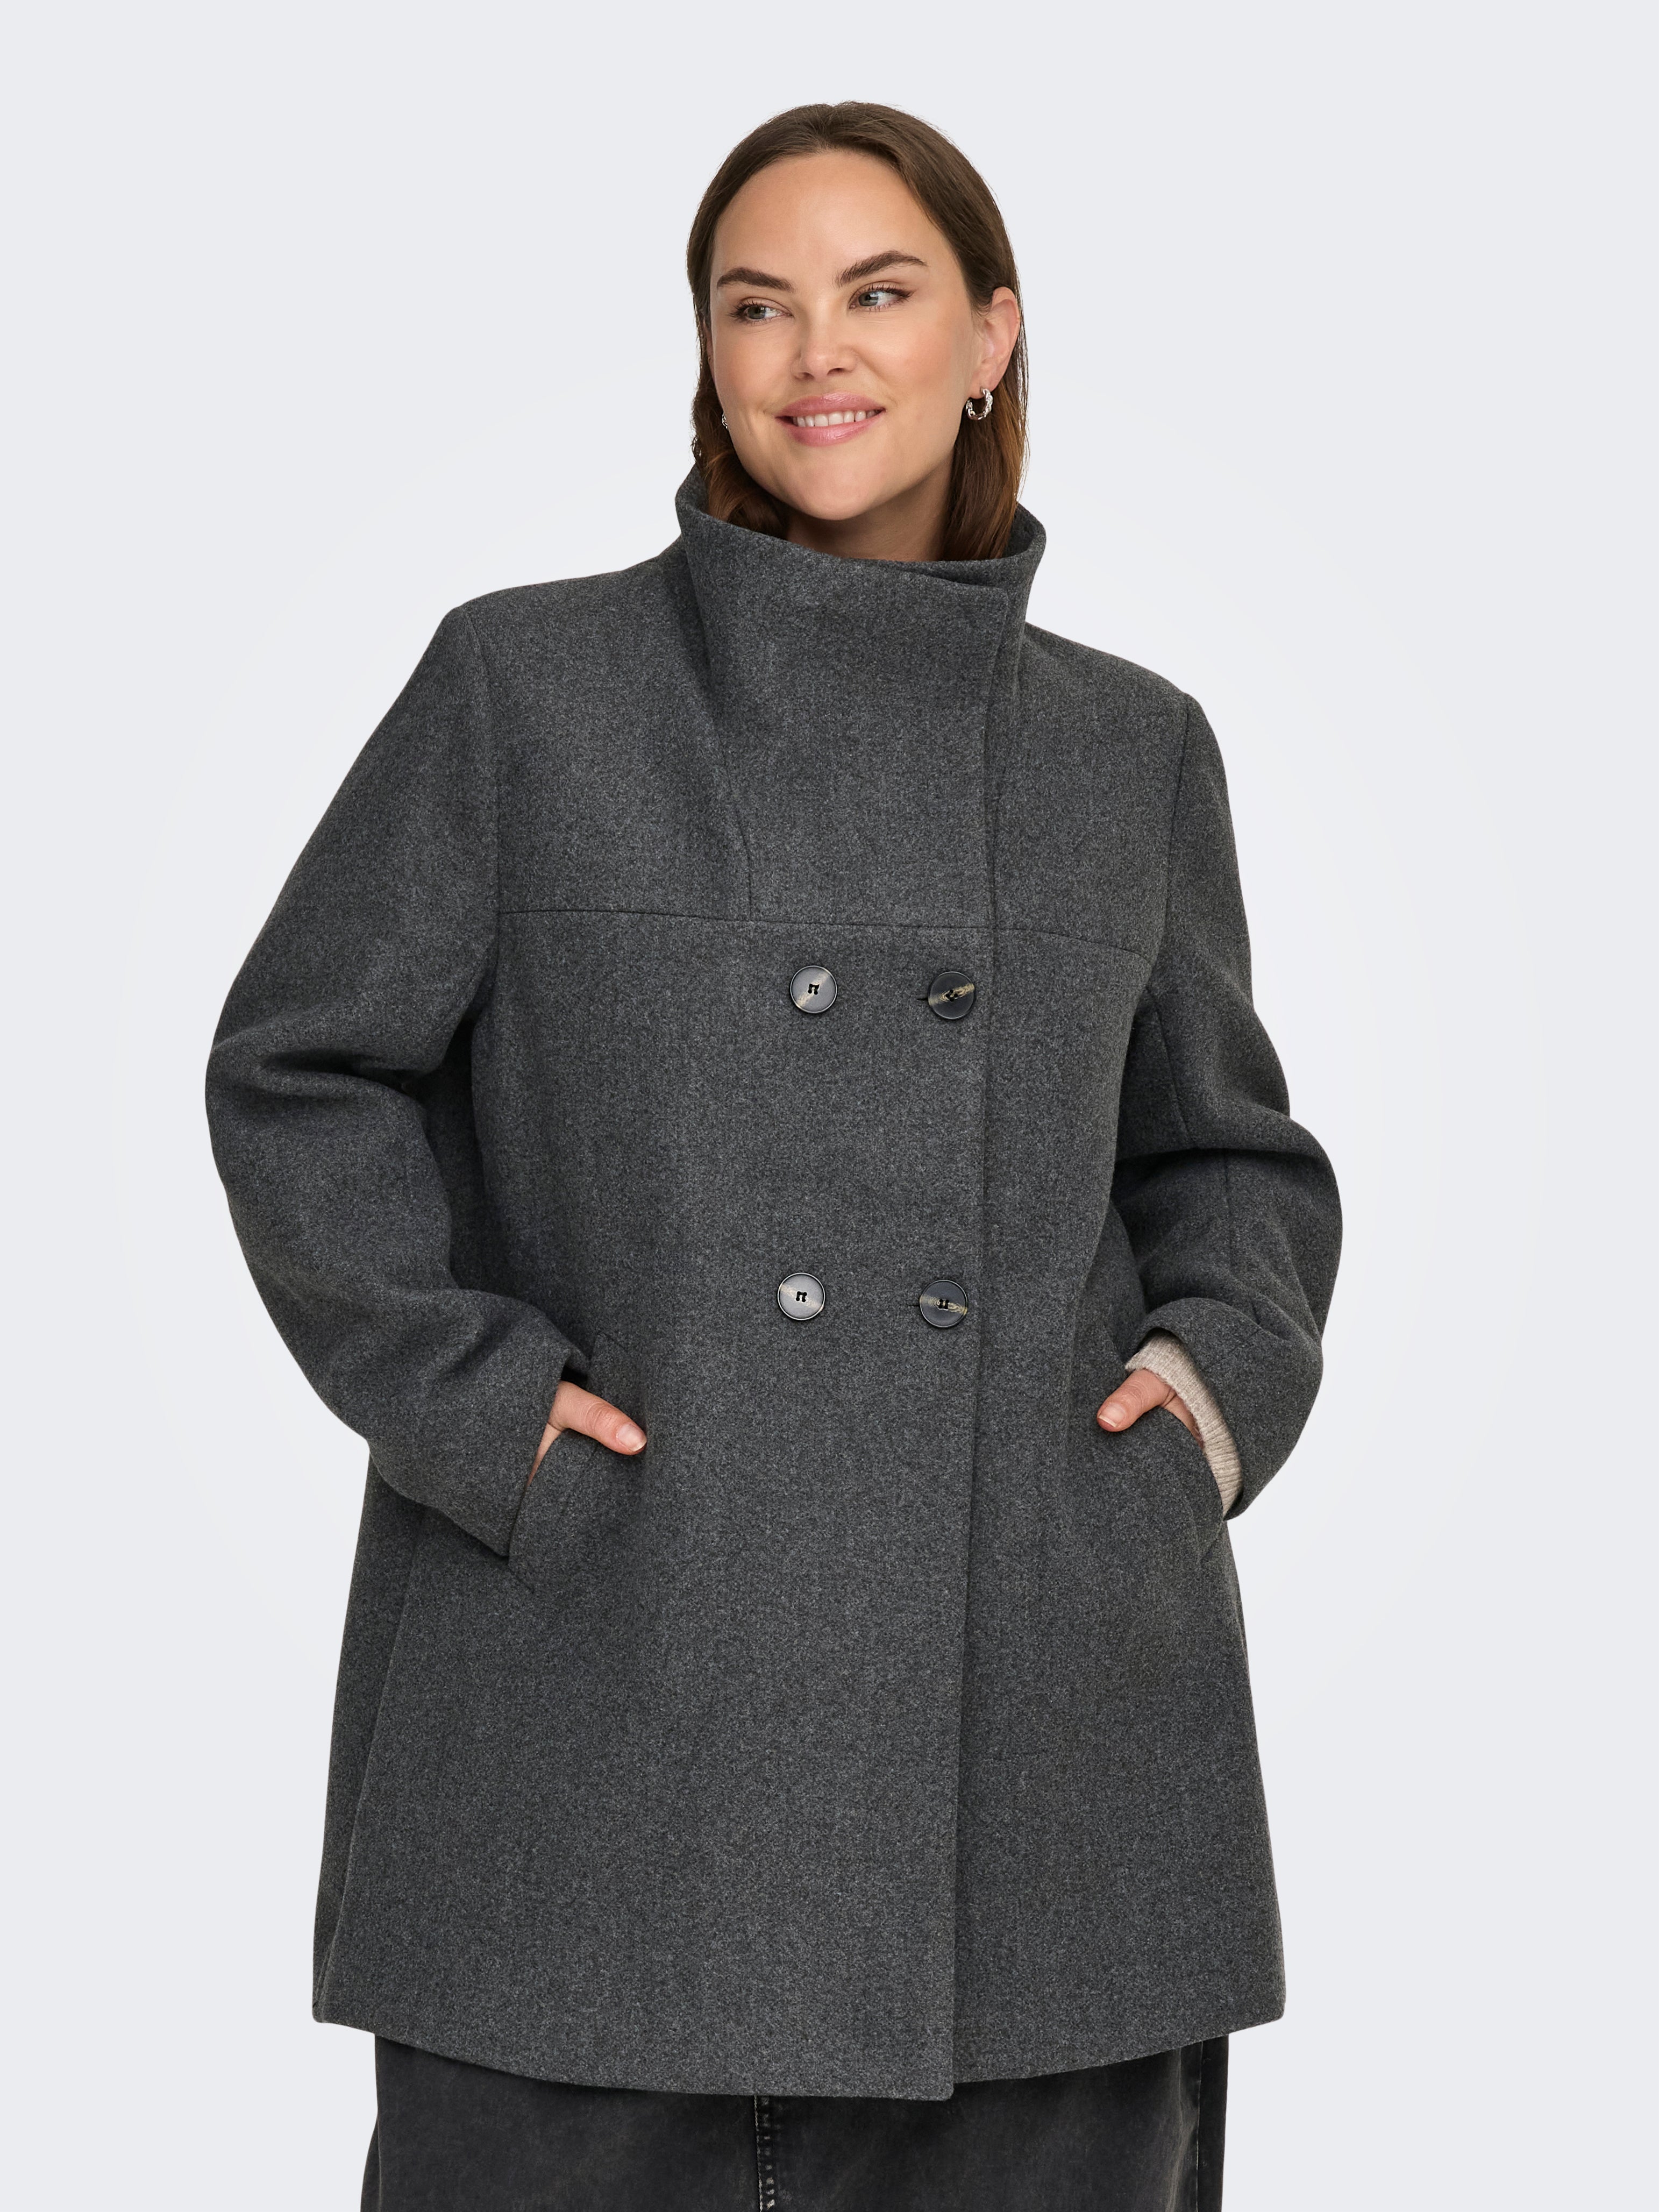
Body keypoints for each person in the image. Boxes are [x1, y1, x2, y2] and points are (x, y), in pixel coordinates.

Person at [207, 99, 1341, 2212]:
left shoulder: (1129, 748)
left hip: (1043, 1763)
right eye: (757, 305)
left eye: (879, 292)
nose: (816, 350)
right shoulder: (526, 687)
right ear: (710, 354)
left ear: (990, 335)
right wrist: (482, 1411)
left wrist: (1202, 1398)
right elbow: (301, 1069)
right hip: (598, 1728)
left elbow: (1229, 1161)